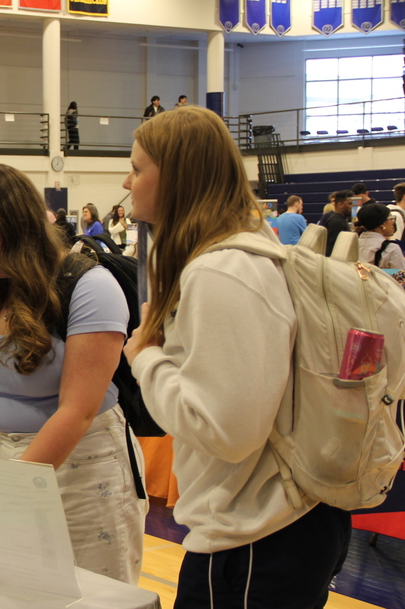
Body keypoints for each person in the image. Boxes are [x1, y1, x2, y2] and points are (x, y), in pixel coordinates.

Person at [121, 106, 351, 607]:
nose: (127, 181)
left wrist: (146, 357)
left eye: (138, 169)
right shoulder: (225, 258)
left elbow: (227, 432)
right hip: (259, 532)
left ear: (178, 175)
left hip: (258, 538)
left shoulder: (222, 271)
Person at [0, 162, 144, 584]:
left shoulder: (89, 286)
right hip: (6, 465)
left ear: (23, 226)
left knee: (93, 594)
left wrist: (5, 491)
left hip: (85, 470)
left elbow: (77, 411)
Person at [357, 203, 405, 270]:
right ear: (382, 224)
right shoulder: (391, 249)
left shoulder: (353, 245)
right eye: (391, 219)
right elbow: (400, 278)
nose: (393, 222)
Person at [318, 189, 352, 257]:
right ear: (340, 204)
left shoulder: (340, 219)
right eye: (350, 204)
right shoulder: (337, 222)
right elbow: (332, 249)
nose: (352, 207)